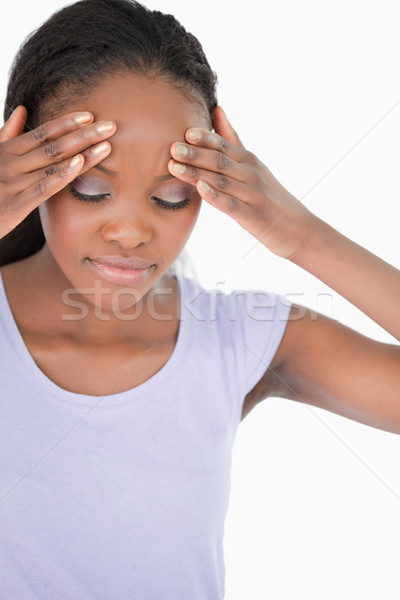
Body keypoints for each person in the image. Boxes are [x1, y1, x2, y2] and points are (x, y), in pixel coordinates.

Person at [0, 0, 399, 598]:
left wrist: (304, 236)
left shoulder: (238, 336)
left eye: (170, 197)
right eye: (90, 188)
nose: (131, 233)